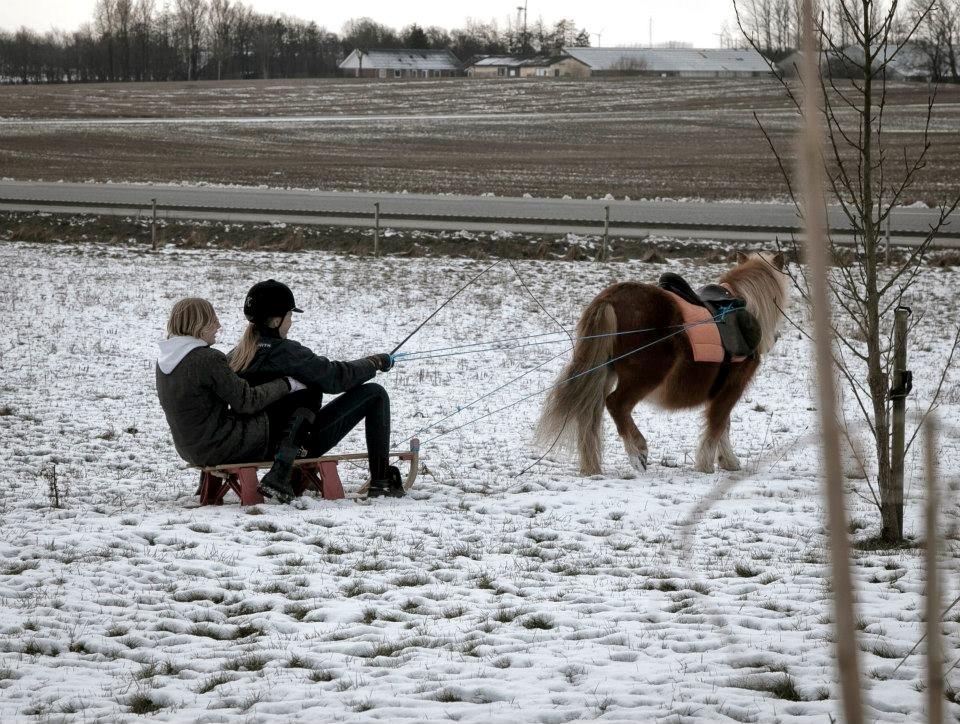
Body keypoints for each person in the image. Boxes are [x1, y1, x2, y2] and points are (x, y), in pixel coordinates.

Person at [229, 279, 401, 503]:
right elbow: (334, 377)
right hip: (291, 447)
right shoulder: (287, 353)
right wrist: (374, 362)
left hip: (249, 444)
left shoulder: (235, 356)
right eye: (289, 316)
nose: (290, 323)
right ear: (275, 320)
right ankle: (382, 481)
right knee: (375, 394)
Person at [155, 297, 300, 469]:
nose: (218, 326)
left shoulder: (165, 360)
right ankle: (285, 470)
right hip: (219, 447)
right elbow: (247, 401)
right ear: (200, 325)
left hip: (189, 449)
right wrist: (287, 384)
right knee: (288, 409)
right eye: (213, 321)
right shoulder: (207, 359)